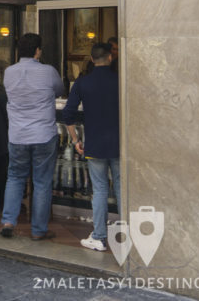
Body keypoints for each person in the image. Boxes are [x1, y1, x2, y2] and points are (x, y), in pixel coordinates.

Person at [0, 33, 63, 240]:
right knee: (42, 182)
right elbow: (60, 90)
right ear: (37, 51)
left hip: (17, 135)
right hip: (43, 134)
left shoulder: (9, 72)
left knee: (15, 177)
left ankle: (8, 221)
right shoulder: (48, 71)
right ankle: (38, 230)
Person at [62, 43, 120, 252]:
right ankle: (127, 234)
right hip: (120, 144)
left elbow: (68, 114)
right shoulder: (120, 80)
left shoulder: (83, 82)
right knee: (122, 189)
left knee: (100, 190)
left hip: (94, 144)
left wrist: (76, 139)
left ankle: (99, 237)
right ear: (110, 58)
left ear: (92, 59)